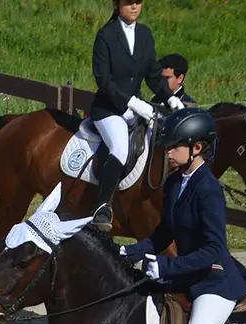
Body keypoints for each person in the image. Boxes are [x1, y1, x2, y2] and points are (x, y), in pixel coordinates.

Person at [118, 108, 246, 324]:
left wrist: (164, 268)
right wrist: (133, 251)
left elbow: (213, 250)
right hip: (187, 274)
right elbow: (164, 233)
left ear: (197, 148)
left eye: (174, 146)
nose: (168, 151)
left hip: (214, 281)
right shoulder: (176, 181)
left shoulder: (208, 189)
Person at [88, 0, 183, 232]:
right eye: (129, 2)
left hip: (137, 108)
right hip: (109, 110)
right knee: (120, 148)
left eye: (138, 2)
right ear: (116, 4)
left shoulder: (145, 34)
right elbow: (103, 80)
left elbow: (152, 75)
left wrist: (170, 98)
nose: (134, 7)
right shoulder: (106, 36)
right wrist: (131, 102)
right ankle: (101, 207)